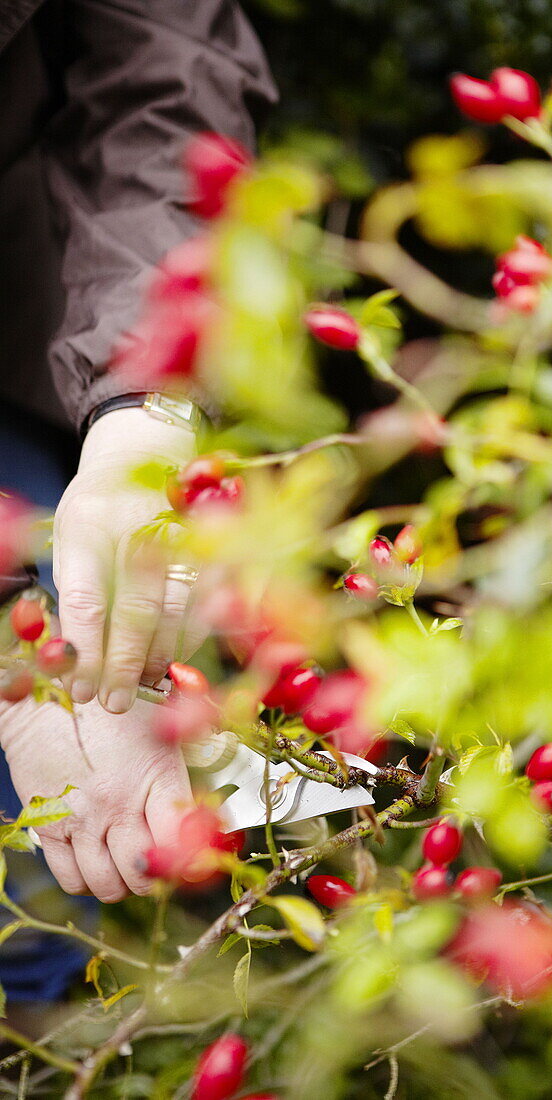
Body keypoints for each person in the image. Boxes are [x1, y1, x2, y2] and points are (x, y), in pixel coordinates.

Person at [0, 0, 276, 1000]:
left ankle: (30, 999)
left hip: (36, 318)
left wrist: (140, 403)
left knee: (35, 873)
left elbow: (165, 75)